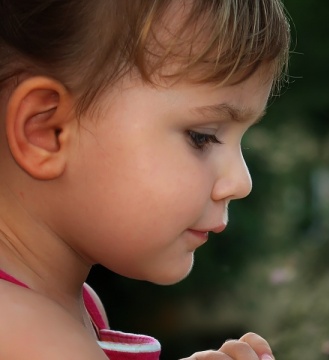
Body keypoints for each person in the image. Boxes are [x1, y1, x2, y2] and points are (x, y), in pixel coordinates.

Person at [0, 0, 290, 359]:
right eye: (202, 136)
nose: (241, 181)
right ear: (47, 131)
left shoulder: (65, 308)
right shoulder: (28, 337)